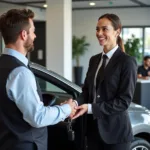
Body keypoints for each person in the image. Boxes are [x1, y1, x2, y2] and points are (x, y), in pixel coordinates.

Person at [0, 9, 76, 150]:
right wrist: (66, 109)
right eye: (33, 31)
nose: (34, 36)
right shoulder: (20, 73)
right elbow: (37, 117)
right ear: (24, 35)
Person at [72, 14, 137, 150]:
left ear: (117, 31)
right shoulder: (94, 60)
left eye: (104, 29)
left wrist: (90, 108)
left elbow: (124, 101)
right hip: (93, 132)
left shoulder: (127, 62)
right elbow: (87, 91)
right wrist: (75, 103)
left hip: (116, 135)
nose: (99, 33)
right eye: (97, 29)